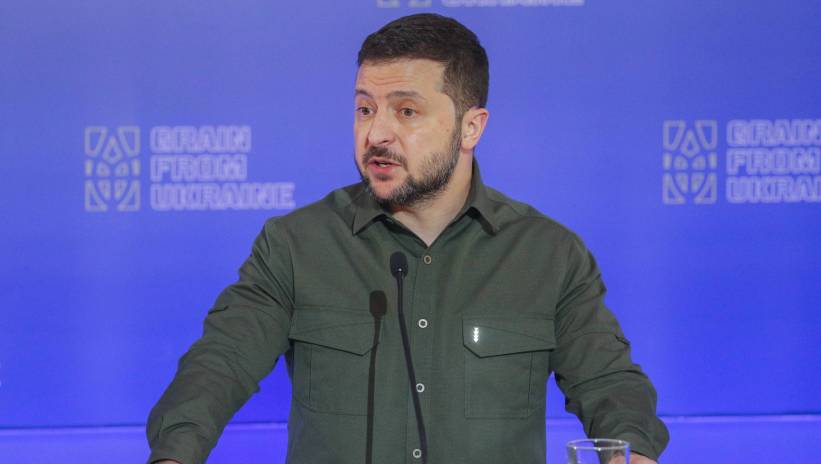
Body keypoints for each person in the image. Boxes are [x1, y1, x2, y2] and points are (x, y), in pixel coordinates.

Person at [147, 13, 669, 464]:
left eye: (406, 111)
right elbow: (220, 363)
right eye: (365, 108)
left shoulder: (547, 255)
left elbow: (609, 383)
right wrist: (174, 453)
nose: (376, 134)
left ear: (471, 128)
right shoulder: (296, 245)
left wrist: (631, 451)